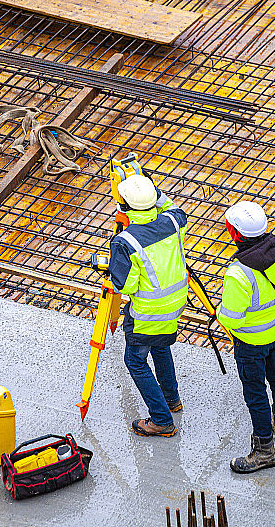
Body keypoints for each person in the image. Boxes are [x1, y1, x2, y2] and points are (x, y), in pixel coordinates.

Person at [217, 201, 275, 472]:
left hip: (250, 343)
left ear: (235, 234)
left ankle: (265, 450)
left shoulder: (238, 274)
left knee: (255, 392)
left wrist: (220, 310)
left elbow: (231, 318)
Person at [108, 174, 188, 437]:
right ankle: (171, 398)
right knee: (161, 345)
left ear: (125, 207)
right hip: (174, 306)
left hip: (147, 313)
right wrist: (148, 186)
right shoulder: (173, 223)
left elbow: (125, 286)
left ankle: (162, 420)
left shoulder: (126, 241)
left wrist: (110, 265)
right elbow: (174, 208)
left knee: (135, 360)